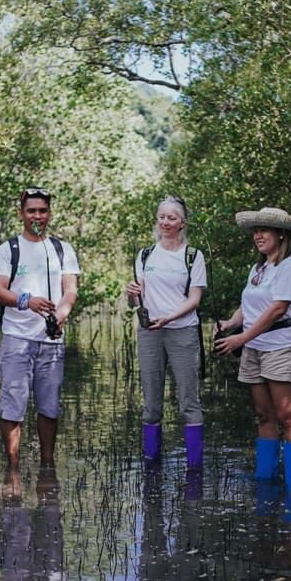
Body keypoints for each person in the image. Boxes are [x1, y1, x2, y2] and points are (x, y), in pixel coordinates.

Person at [213, 206, 291, 494]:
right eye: (255, 230)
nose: (258, 235)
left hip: (280, 348)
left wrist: (240, 340)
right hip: (254, 348)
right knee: (264, 415)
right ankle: (265, 481)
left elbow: (278, 308)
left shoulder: (290, 266)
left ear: (281, 234)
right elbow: (249, 306)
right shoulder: (258, 268)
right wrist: (230, 324)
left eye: (264, 229)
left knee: (287, 415)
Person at [0, 186, 80, 468]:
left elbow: (71, 290)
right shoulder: (8, 249)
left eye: (42, 211)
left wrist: (62, 313)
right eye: (31, 211)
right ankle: (13, 469)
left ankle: (47, 467)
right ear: (21, 214)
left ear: (49, 214)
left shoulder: (62, 250)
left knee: (50, 407)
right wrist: (26, 300)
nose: (37, 216)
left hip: (51, 341)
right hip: (16, 338)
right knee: (13, 405)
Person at [124, 196, 208, 469]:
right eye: (162, 217)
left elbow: (195, 300)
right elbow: (138, 302)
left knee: (189, 401)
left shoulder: (193, 256)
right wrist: (131, 296)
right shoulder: (145, 255)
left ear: (182, 223)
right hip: (150, 332)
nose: (165, 222)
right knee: (151, 404)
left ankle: (194, 469)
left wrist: (168, 318)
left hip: (183, 331)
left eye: (172, 218)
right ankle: (152, 466)